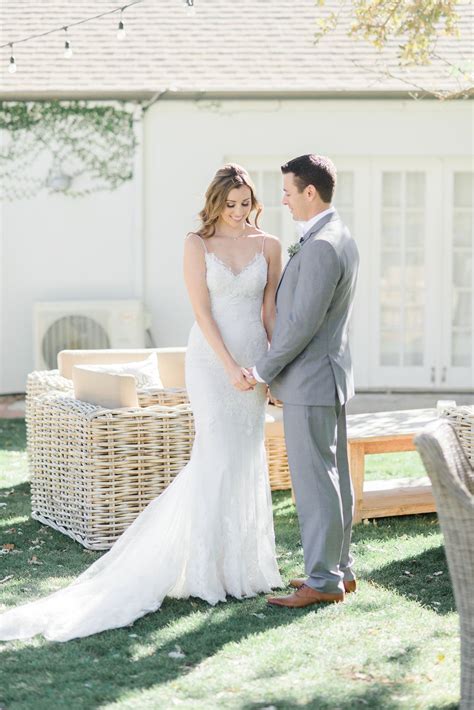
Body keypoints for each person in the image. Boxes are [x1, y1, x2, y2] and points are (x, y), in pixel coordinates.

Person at [0, 164, 283, 642]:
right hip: (213, 362)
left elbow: (269, 308)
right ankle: (203, 570)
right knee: (213, 454)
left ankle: (244, 569)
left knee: (245, 456)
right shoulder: (196, 244)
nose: (238, 213)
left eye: (244, 204)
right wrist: (229, 364)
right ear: (215, 203)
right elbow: (201, 310)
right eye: (229, 205)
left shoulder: (270, 245)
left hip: (255, 360)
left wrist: (270, 368)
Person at [244, 154, 360, 608]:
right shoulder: (336, 236)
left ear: (311, 192)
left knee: (315, 483)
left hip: (312, 380)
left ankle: (323, 580)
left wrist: (261, 371)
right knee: (333, 478)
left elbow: (300, 325)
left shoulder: (322, 246)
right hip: (328, 376)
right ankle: (339, 571)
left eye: (289, 191)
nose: (284, 200)